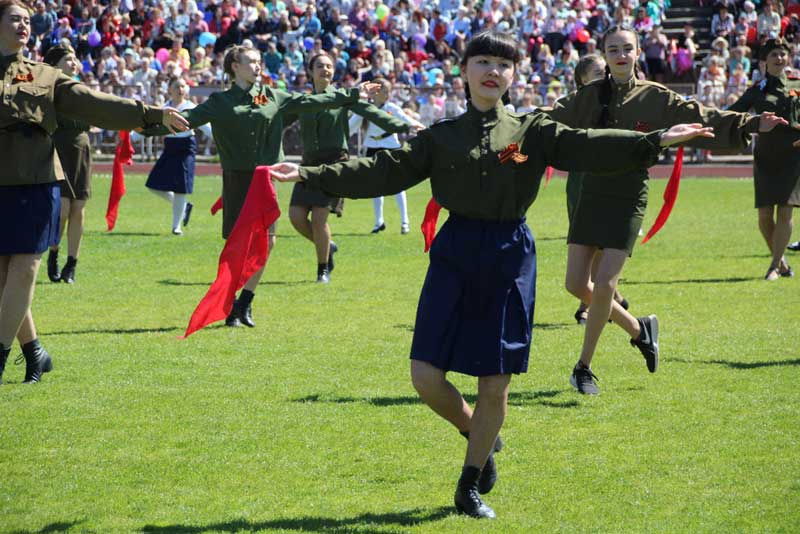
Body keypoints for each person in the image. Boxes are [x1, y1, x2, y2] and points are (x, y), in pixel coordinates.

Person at [270, 30, 715, 521]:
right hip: (455, 251)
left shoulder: (529, 132)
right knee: (424, 376)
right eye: (481, 61)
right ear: (464, 71)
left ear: (512, 75)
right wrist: (309, 174)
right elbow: (384, 170)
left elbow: (585, 146)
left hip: (509, 256)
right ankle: (475, 428)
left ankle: (469, 483)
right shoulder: (442, 136)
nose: (491, 71)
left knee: (494, 383)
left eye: (502, 65)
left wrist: (650, 140)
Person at [545, 24, 787, 395]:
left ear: (638, 51)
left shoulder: (656, 97)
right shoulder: (588, 96)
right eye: (613, 50)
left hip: (628, 196)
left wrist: (752, 123)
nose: (621, 55)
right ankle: (640, 330)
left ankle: (583, 367)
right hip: (590, 193)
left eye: (627, 48)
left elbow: (703, 115)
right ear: (604, 55)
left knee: (606, 283)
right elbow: (548, 120)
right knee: (576, 284)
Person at [0, 0, 189, 384]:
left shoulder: (43, 75)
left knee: (22, 271)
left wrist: (149, 114)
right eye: (14, 19)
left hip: (36, 185)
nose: (24, 25)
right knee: (4, 280)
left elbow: (95, 104)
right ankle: (35, 352)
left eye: (27, 20)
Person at [143, 45, 379, 325]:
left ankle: (245, 303)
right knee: (237, 245)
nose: (258, 66)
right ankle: (231, 304)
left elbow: (312, 101)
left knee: (266, 242)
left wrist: (353, 93)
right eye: (251, 62)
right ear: (234, 66)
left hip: (264, 179)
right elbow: (185, 120)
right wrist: (141, 123)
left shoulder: (272, 96)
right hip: (236, 180)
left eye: (259, 62)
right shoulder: (220, 102)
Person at [287, 53, 413, 283]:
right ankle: (328, 246)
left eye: (329, 66)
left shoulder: (343, 97)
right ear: (310, 71)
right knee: (295, 217)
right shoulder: (302, 101)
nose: (325, 69)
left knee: (318, 218)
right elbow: (277, 118)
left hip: (334, 163)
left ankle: (322, 268)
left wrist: (405, 124)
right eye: (320, 66)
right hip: (308, 163)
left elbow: (373, 113)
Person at [553, 53, 630, 325]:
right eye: (596, 74)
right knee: (588, 245)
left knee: (602, 244)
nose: (603, 77)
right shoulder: (574, 106)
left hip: (612, 181)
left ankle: (602, 301)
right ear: (581, 81)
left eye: (603, 72)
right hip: (582, 182)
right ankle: (604, 301)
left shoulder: (620, 101)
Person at [728, 38, 800, 280]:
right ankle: (781, 263)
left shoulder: (797, 83)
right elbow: (733, 113)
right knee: (764, 217)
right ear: (763, 62)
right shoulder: (756, 90)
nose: (779, 58)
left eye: (782, 54)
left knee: (786, 212)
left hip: (793, 155)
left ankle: (773, 267)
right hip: (766, 156)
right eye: (773, 55)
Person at [348, 77, 425, 236]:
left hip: (391, 146)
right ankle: (379, 222)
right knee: (376, 186)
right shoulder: (366, 107)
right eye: (384, 90)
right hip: (371, 148)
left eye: (388, 91)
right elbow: (350, 127)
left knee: (398, 185)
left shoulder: (392, 108)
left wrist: (419, 127)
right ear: (375, 91)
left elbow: (407, 120)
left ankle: (405, 222)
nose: (387, 94)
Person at [138, 76, 211, 235]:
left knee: (181, 189)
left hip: (186, 148)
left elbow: (207, 128)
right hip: (170, 147)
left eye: (183, 86)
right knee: (153, 184)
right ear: (169, 89)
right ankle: (184, 206)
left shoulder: (191, 107)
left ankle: (176, 227)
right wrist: (129, 138)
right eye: (177, 86)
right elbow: (149, 128)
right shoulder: (164, 108)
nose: (180, 89)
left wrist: (222, 140)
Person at [43, 44, 91, 284]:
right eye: (68, 60)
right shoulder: (48, 91)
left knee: (78, 211)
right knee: (61, 210)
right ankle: (53, 253)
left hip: (81, 150)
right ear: (55, 65)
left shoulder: (83, 90)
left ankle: (72, 265)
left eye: (74, 59)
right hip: (56, 150)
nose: (73, 63)